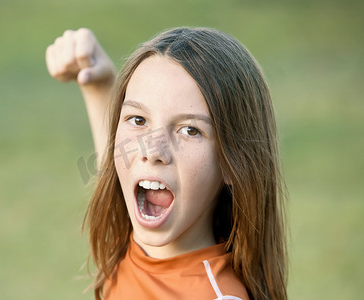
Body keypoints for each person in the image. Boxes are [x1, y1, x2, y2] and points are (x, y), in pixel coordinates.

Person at [46, 27, 287, 300]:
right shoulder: (131, 241)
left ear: (232, 163)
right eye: (138, 120)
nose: (152, 150)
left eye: (190, 130)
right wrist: (97, 85)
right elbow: (117, 165)